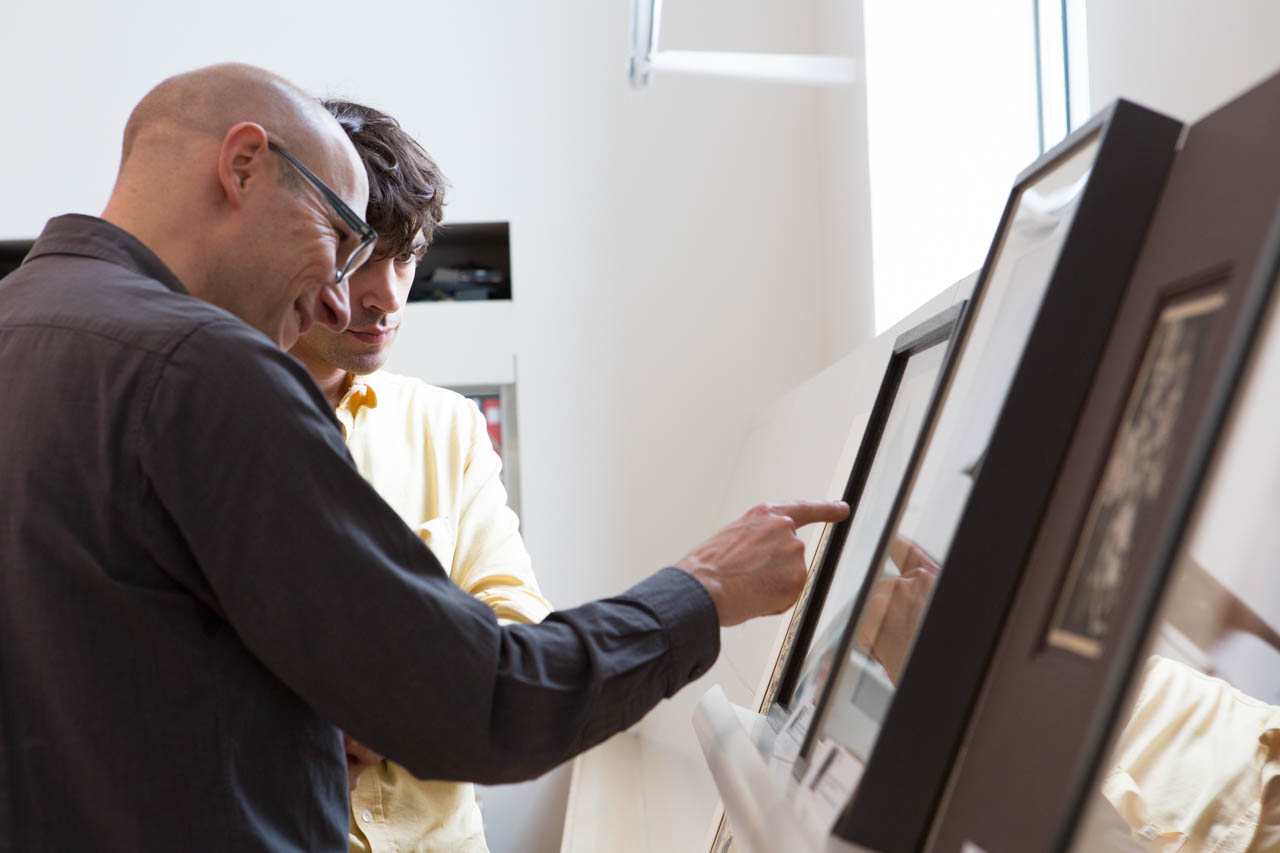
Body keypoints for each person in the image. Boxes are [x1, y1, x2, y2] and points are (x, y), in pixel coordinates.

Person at [0, 62, 847, 853]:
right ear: (245, 165)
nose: (344, 295)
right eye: (339, 232)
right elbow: (483, 700)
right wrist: (701, 590)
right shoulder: (207, 371)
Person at [289, 98, 550, 852]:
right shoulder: (213, 413)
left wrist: (389, 707)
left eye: (406, 258)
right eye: (367, 255)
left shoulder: (450, 426)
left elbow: (521, 632)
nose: (389, 295)